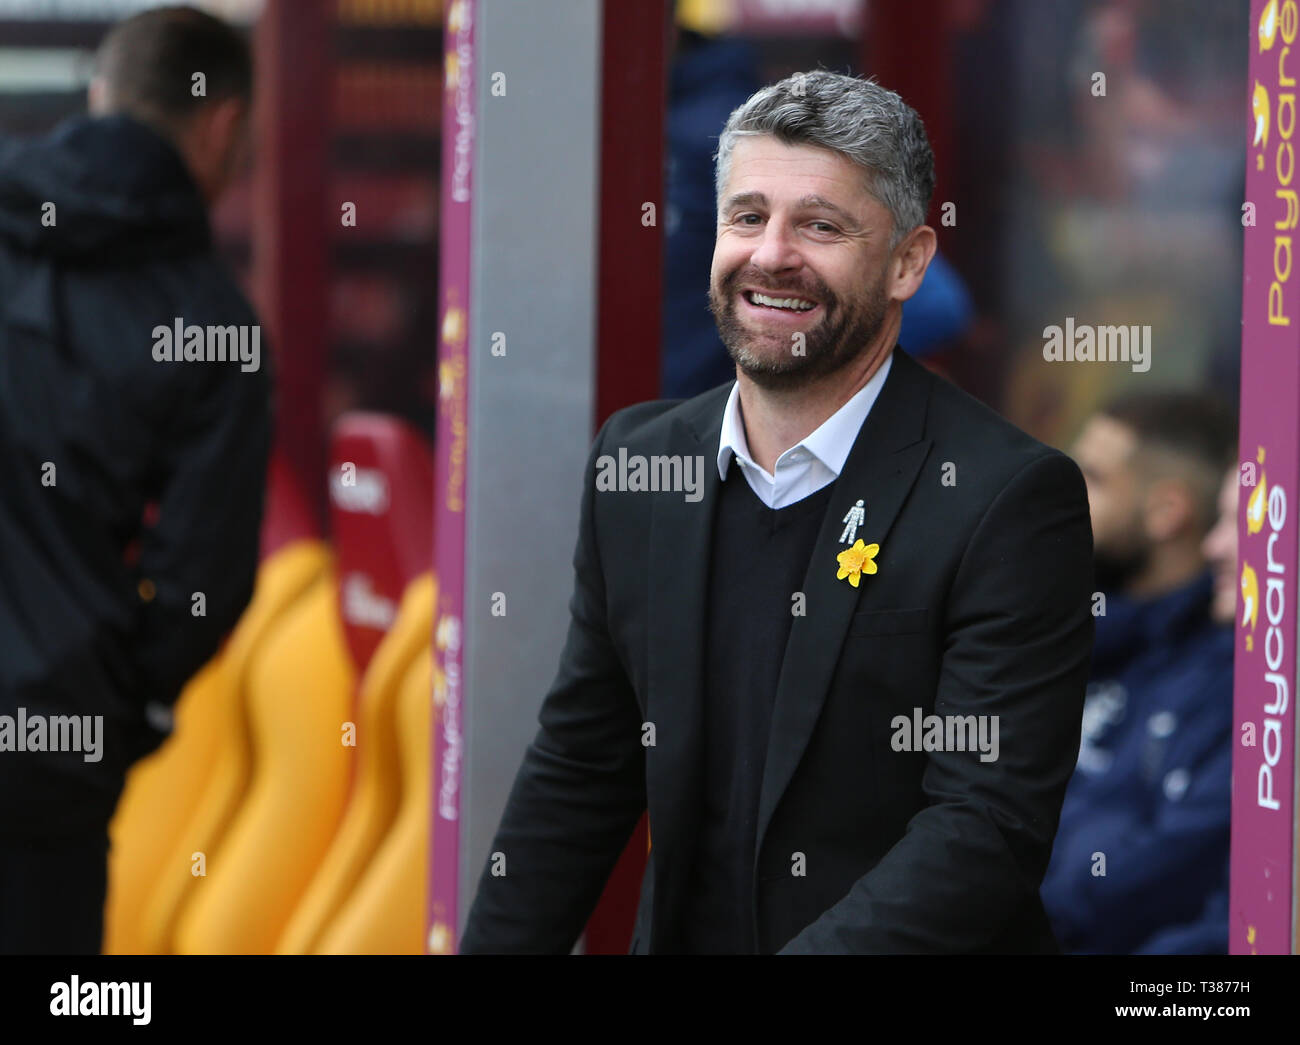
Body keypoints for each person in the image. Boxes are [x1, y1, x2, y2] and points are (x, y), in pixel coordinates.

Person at [460, 71, 1094, 955]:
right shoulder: (639, 463)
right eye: (747, 216)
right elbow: (581, 766)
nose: (770, 255)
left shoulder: (1010, 499)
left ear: (909, 261)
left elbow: (984, 828)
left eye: (821, 225)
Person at [0, 6, 271, 954]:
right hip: (46, 752)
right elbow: (203, 579)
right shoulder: (214, 325)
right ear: (224, 123)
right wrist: (124, 709)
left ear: (101, 96)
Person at [1040, 393, 1236, 953]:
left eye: (1094, 480)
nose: (1064, 499)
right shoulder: (1055, 630)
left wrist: (995, 920)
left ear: (1168, 512)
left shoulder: (1223, 674)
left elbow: (1162, 870)